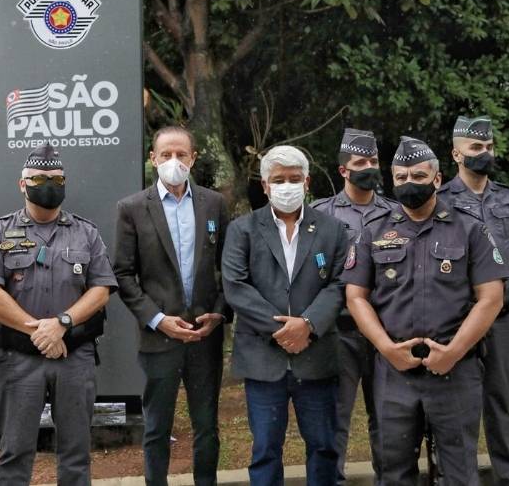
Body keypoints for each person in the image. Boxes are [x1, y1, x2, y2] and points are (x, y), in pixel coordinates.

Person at [342, 136, 509, 485]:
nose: (408, 184)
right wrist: (387, 349)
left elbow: (491, 296)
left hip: (455, 370)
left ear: (436, 179)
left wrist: (453, 352)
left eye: (418, 176)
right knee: (393, 472)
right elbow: (355, 296)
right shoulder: (374, 231)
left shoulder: (470, 229)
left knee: (460, 472)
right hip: (394, 372)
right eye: (400, 177)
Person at [0, 144, 117, 486]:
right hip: (19, 360)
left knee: (76, 454)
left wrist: (62, 324)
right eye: (38, 177)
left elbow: (102, 288)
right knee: (15, 454)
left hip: (74, 357)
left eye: (55, 178)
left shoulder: (87, 233)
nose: (48, 184)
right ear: (23, 184)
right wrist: (39, 330)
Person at [222, 145, 347, 485]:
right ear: (264, 185)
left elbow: (340, 284)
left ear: (307, 182)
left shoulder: (332, 229)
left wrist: (307, 325)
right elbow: (235, 286)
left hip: (317, 357)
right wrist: (284, 329)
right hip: (263, 359)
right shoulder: (242, 230)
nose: (287, 185)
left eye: (294, 178)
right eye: (279, 179)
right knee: (265, 450)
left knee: (323, 446)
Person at [113, 126, 229, 486]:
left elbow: (229, 267)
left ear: (193, 159)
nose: (174, 162)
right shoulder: (131, 208)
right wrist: (157, 319)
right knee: (157, 428)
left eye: (181, 155)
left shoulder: (214, 204)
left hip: (205, 337)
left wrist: (221, 312)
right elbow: (123, 273)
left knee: (207, 428)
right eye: (166, 155)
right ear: (153, 159)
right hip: (159, 338)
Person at [437, 115, 509, 486]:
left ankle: (508, 474)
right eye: (475, 147)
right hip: (456, 316)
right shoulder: (440, 199)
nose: (484, 153)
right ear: (456, 153)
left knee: (499, 398)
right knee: (456, 402)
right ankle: (457, 475)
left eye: (488, 147)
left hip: (501, 316)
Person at [311, 129, 396, 485]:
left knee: (388, 419)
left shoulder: (395, 212)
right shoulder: (321, 213)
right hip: (339, 332)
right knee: (337, 417)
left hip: (385, 332)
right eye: (360, 163)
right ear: (343, 170)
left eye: (374, 161)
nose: (369, 168)